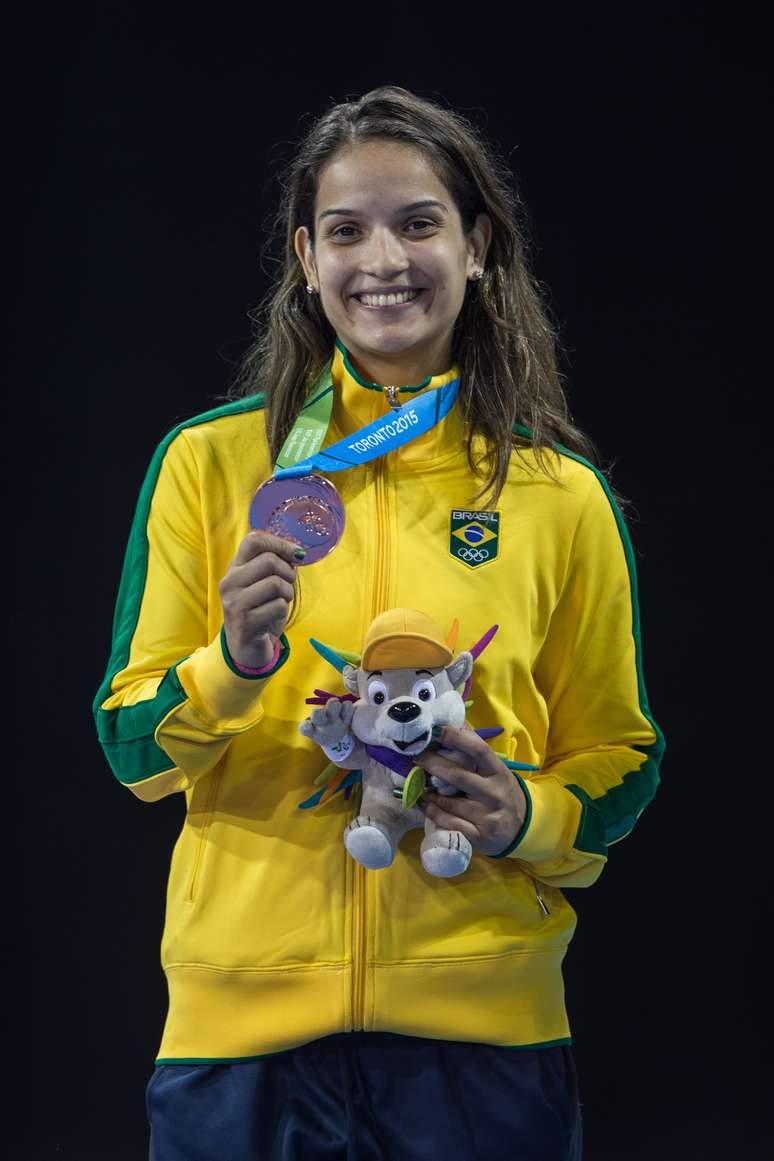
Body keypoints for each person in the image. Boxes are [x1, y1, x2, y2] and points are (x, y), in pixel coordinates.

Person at [93, 85, 664, 1161]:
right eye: (346, 231)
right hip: (241, 1044)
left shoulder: (558, 494)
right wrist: (234, 664)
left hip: (484, 1044)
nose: (382, 261)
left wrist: (527, 817)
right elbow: (132, 749)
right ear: (306, 259)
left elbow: (623, 759)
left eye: (418, 223)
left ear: (478, 245)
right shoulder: (210, 465)